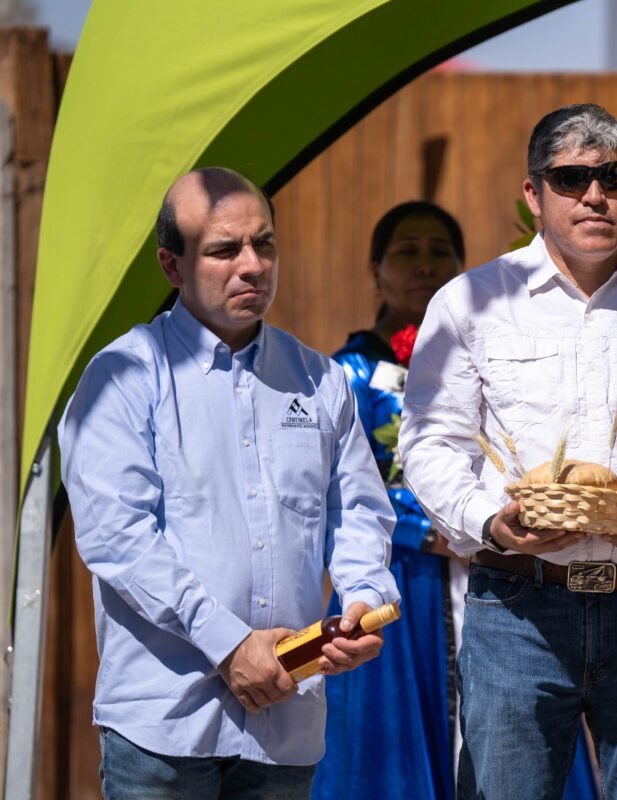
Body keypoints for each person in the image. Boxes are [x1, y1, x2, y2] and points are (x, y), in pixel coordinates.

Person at [397, 103, 617, 799]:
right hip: (516, 610)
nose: (595, 195)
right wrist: (490, 522)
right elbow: (430, 441)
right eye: (571, 178)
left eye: (612, 176)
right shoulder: (470, 302)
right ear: (533, 194)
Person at [57, 167, 400, 799]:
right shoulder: (124, 378)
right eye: (223, 249)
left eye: (264, 244)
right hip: (164, 728)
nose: (252, 265)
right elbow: (119, 540)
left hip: (284, 725)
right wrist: (230, 645)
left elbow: (358, 514)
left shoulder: (320, 381)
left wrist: (361, 598)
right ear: (171, 266)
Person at [313, 201, 599, 800]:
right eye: (407, 252)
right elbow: (340, 488)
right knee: (395, 744)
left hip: (503, 569)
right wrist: (428, 527)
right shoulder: (347, 375)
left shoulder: (499, 358)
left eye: (439, 251)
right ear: (375, 268)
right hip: (404, 580)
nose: (424, 265)